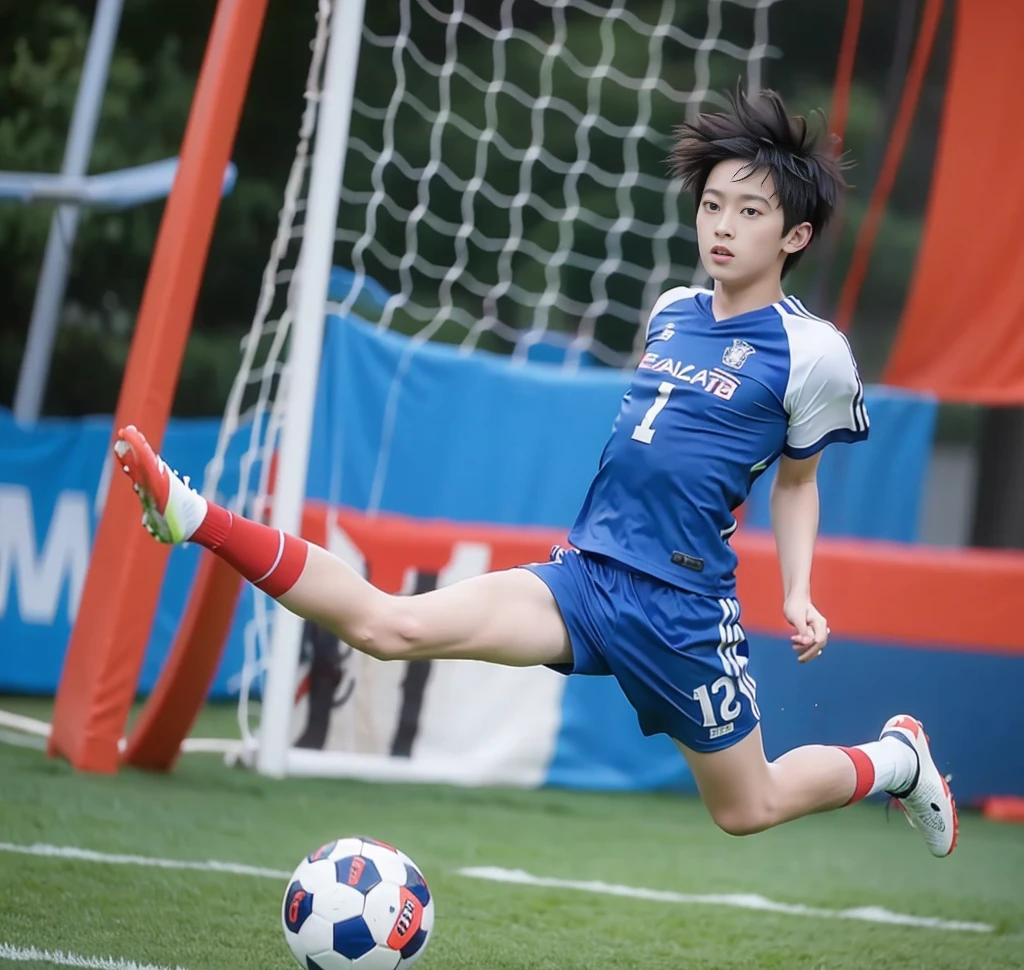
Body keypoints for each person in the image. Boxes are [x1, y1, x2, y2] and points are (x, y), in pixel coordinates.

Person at [113, 87, 956, 856]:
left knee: (748, 805)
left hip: (683, 611)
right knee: (388, 627)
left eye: (748, 211)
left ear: (796, 236)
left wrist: (799, 592)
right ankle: (194, 516)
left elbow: (797, 480)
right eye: (710, 206)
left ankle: (893, 760)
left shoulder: (813, 354)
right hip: (585, 577)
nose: (721, 226)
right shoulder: (670, 311)